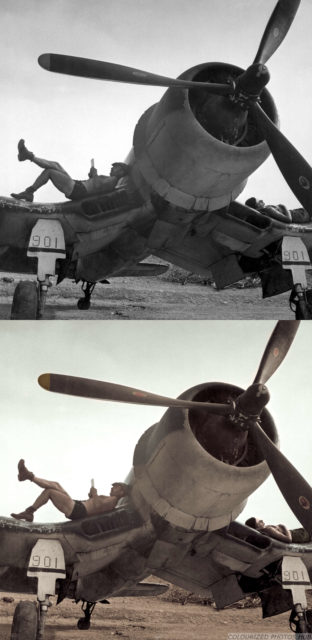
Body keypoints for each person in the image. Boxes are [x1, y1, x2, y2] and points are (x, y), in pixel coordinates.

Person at [11, 139, 130, 202]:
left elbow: (98, 186)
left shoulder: (113, 180)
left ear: (121, 172)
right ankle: (28, 156)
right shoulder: (110, 180)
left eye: (116, 167)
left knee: (50, 172)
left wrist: (94, 175)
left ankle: (29, 192)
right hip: (78, 186)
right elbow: (96, 185)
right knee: (56, 165)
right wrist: (92, 176)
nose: (112, 167)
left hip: (78, 190)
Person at [11, 459, 129, 522]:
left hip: (78, 510)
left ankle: (29, 512)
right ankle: (28, 476)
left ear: (122, 492)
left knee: (49, 492)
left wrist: (95, 494)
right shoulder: (110, 499)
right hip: (78, 506)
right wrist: (92, 497)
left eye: (116, 486)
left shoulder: (113, 500)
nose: (112, 487)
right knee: (57, 484)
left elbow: (98, 506)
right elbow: (97, 505)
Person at [245, 197, 310, 224]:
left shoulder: (264, 213)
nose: (262, 200)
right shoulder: (268, 209)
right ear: (257, 206)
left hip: (298, 214)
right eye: (259, 201)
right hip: (300, 215)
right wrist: (284, 207)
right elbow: (288, 220)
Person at [245, 517, 310, 543]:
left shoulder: (265, 531)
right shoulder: (268, 530)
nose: (262, 520)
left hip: (298, 533)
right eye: (259, 522)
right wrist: (284, 527)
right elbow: (288, 540)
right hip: (299, 535)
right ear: (257, 528)